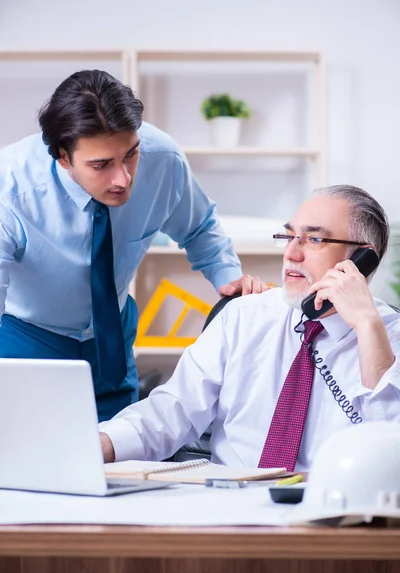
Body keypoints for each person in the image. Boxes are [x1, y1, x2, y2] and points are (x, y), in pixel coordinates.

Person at [0, 69, 267, 422]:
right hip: (30, 335)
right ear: (63, 158)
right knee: (33, 455)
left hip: (112, 333)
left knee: (118, 453)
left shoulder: (163, 160)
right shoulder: (12, 188)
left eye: (130, 155)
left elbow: (200, 227)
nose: (123, 178)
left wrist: (228, 281)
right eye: (101, 165)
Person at [100, 185, 400, 471]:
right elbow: (172, 411)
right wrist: (101, 445)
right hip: (230, 504)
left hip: (334, 508)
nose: (292, 254)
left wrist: (366, 326)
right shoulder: (243, 317)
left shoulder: (389, 335)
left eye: (314, 240)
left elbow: (389, 450)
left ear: (362, 258)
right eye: (289, 236)